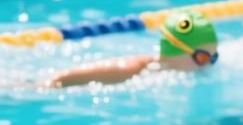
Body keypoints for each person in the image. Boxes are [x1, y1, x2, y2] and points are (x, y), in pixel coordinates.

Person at [48, 10, 219, 87]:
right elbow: (59, 79)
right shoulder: (128, 70)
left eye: (213, 57)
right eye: (203, 58)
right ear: (177, 50)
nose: (208, 64)